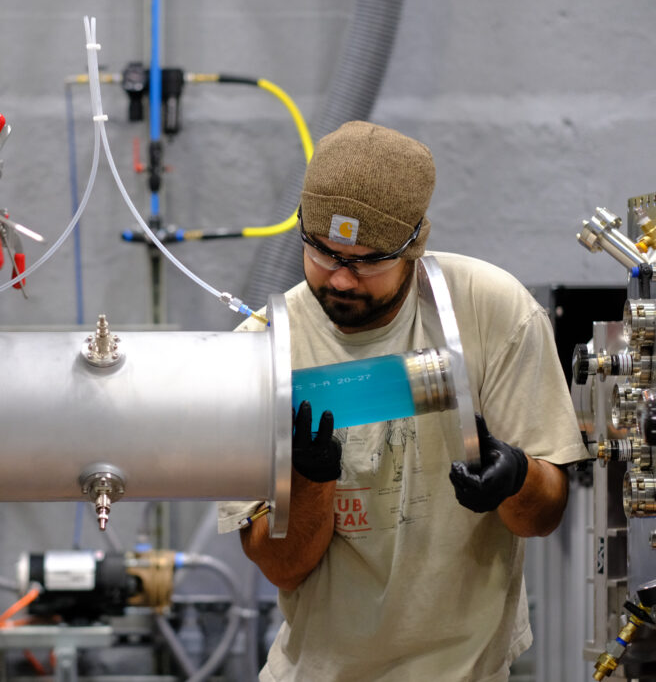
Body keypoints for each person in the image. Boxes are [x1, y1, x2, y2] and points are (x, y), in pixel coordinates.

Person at [218, 121, 587, 681]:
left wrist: (517, 479)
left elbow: (542, 517)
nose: (340, 279)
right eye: (321, 251)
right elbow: (283, 568)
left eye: (366, 261)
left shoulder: (491, 312)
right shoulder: (262, 352)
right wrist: (312, 482)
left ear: (415, 245)